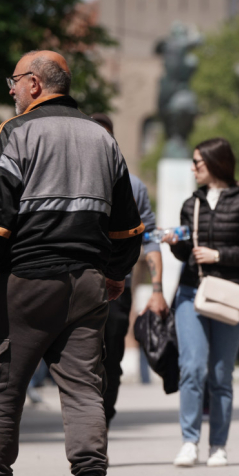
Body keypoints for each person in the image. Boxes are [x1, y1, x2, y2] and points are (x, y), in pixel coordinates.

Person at [0, 51, 144, 476]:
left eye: (13, 81)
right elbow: (127, 226)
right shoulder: (102, 137)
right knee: (83, 389)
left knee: (2, 388)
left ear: (34, 83)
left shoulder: (17, 133)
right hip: (88, 285)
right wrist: (115, 274)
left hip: (28, 283)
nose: (10, 90)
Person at [165, 138, 239, 468]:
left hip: (229, 295)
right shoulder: (190, 203)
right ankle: (189, 441)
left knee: (220, 374)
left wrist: (219, 255)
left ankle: (218, 445)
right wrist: (175, 243)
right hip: (191, 292)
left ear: (216, 163)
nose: (193, 168)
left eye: (198, 162)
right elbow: (185, 253)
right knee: (192, 368)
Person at [89, 113, 168, 428]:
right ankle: (85, 430)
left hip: (114, 286)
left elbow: (150, 237)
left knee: (111, 360)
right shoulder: (63, 177)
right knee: (77, 360)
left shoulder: (132, 186)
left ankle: (101, 423)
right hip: (71, 281)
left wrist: (158, 290)